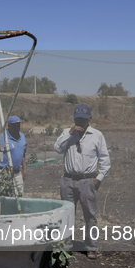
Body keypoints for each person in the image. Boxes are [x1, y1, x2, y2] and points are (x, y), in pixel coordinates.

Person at [54, 104, 111, 259]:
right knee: (67, 214)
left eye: (83, 119)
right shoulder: (67, 133)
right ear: (74, 118)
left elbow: (106, 160)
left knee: (90, 215)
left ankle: (91, 246)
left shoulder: (97, 135)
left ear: (89, 119)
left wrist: (98, 179)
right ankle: (66, 245)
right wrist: (70, 133)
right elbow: (57, 149)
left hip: (88, 181)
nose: (80, 122)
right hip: (68, 180)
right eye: (77, 118)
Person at [0, 115, 27, 196]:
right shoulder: (2, 137)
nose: (17, 128)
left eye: (18, 125)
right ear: (9, 126)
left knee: (20, 195)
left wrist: (24, 169)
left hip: (17, 172)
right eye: (14, 126)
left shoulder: (22, 136)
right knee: (5, 196)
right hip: (4, 173)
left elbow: (23, 154)